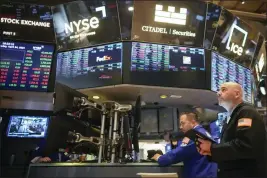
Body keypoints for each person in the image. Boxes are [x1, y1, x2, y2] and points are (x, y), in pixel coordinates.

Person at [198, 82, 267, 178]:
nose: (218, 93)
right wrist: (210, 152)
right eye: (219, 90)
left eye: (223, 89)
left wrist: (212, 148)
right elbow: (231, 148)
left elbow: (245, 145)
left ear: (237, 94)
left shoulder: (246, 112)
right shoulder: (233, 116)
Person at [152, 112, 218, 178]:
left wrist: (159, 158)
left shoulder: (194, 136)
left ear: (193, 122)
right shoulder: (204, 132)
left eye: (183, 123)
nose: (180, 127)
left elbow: (177, 154)